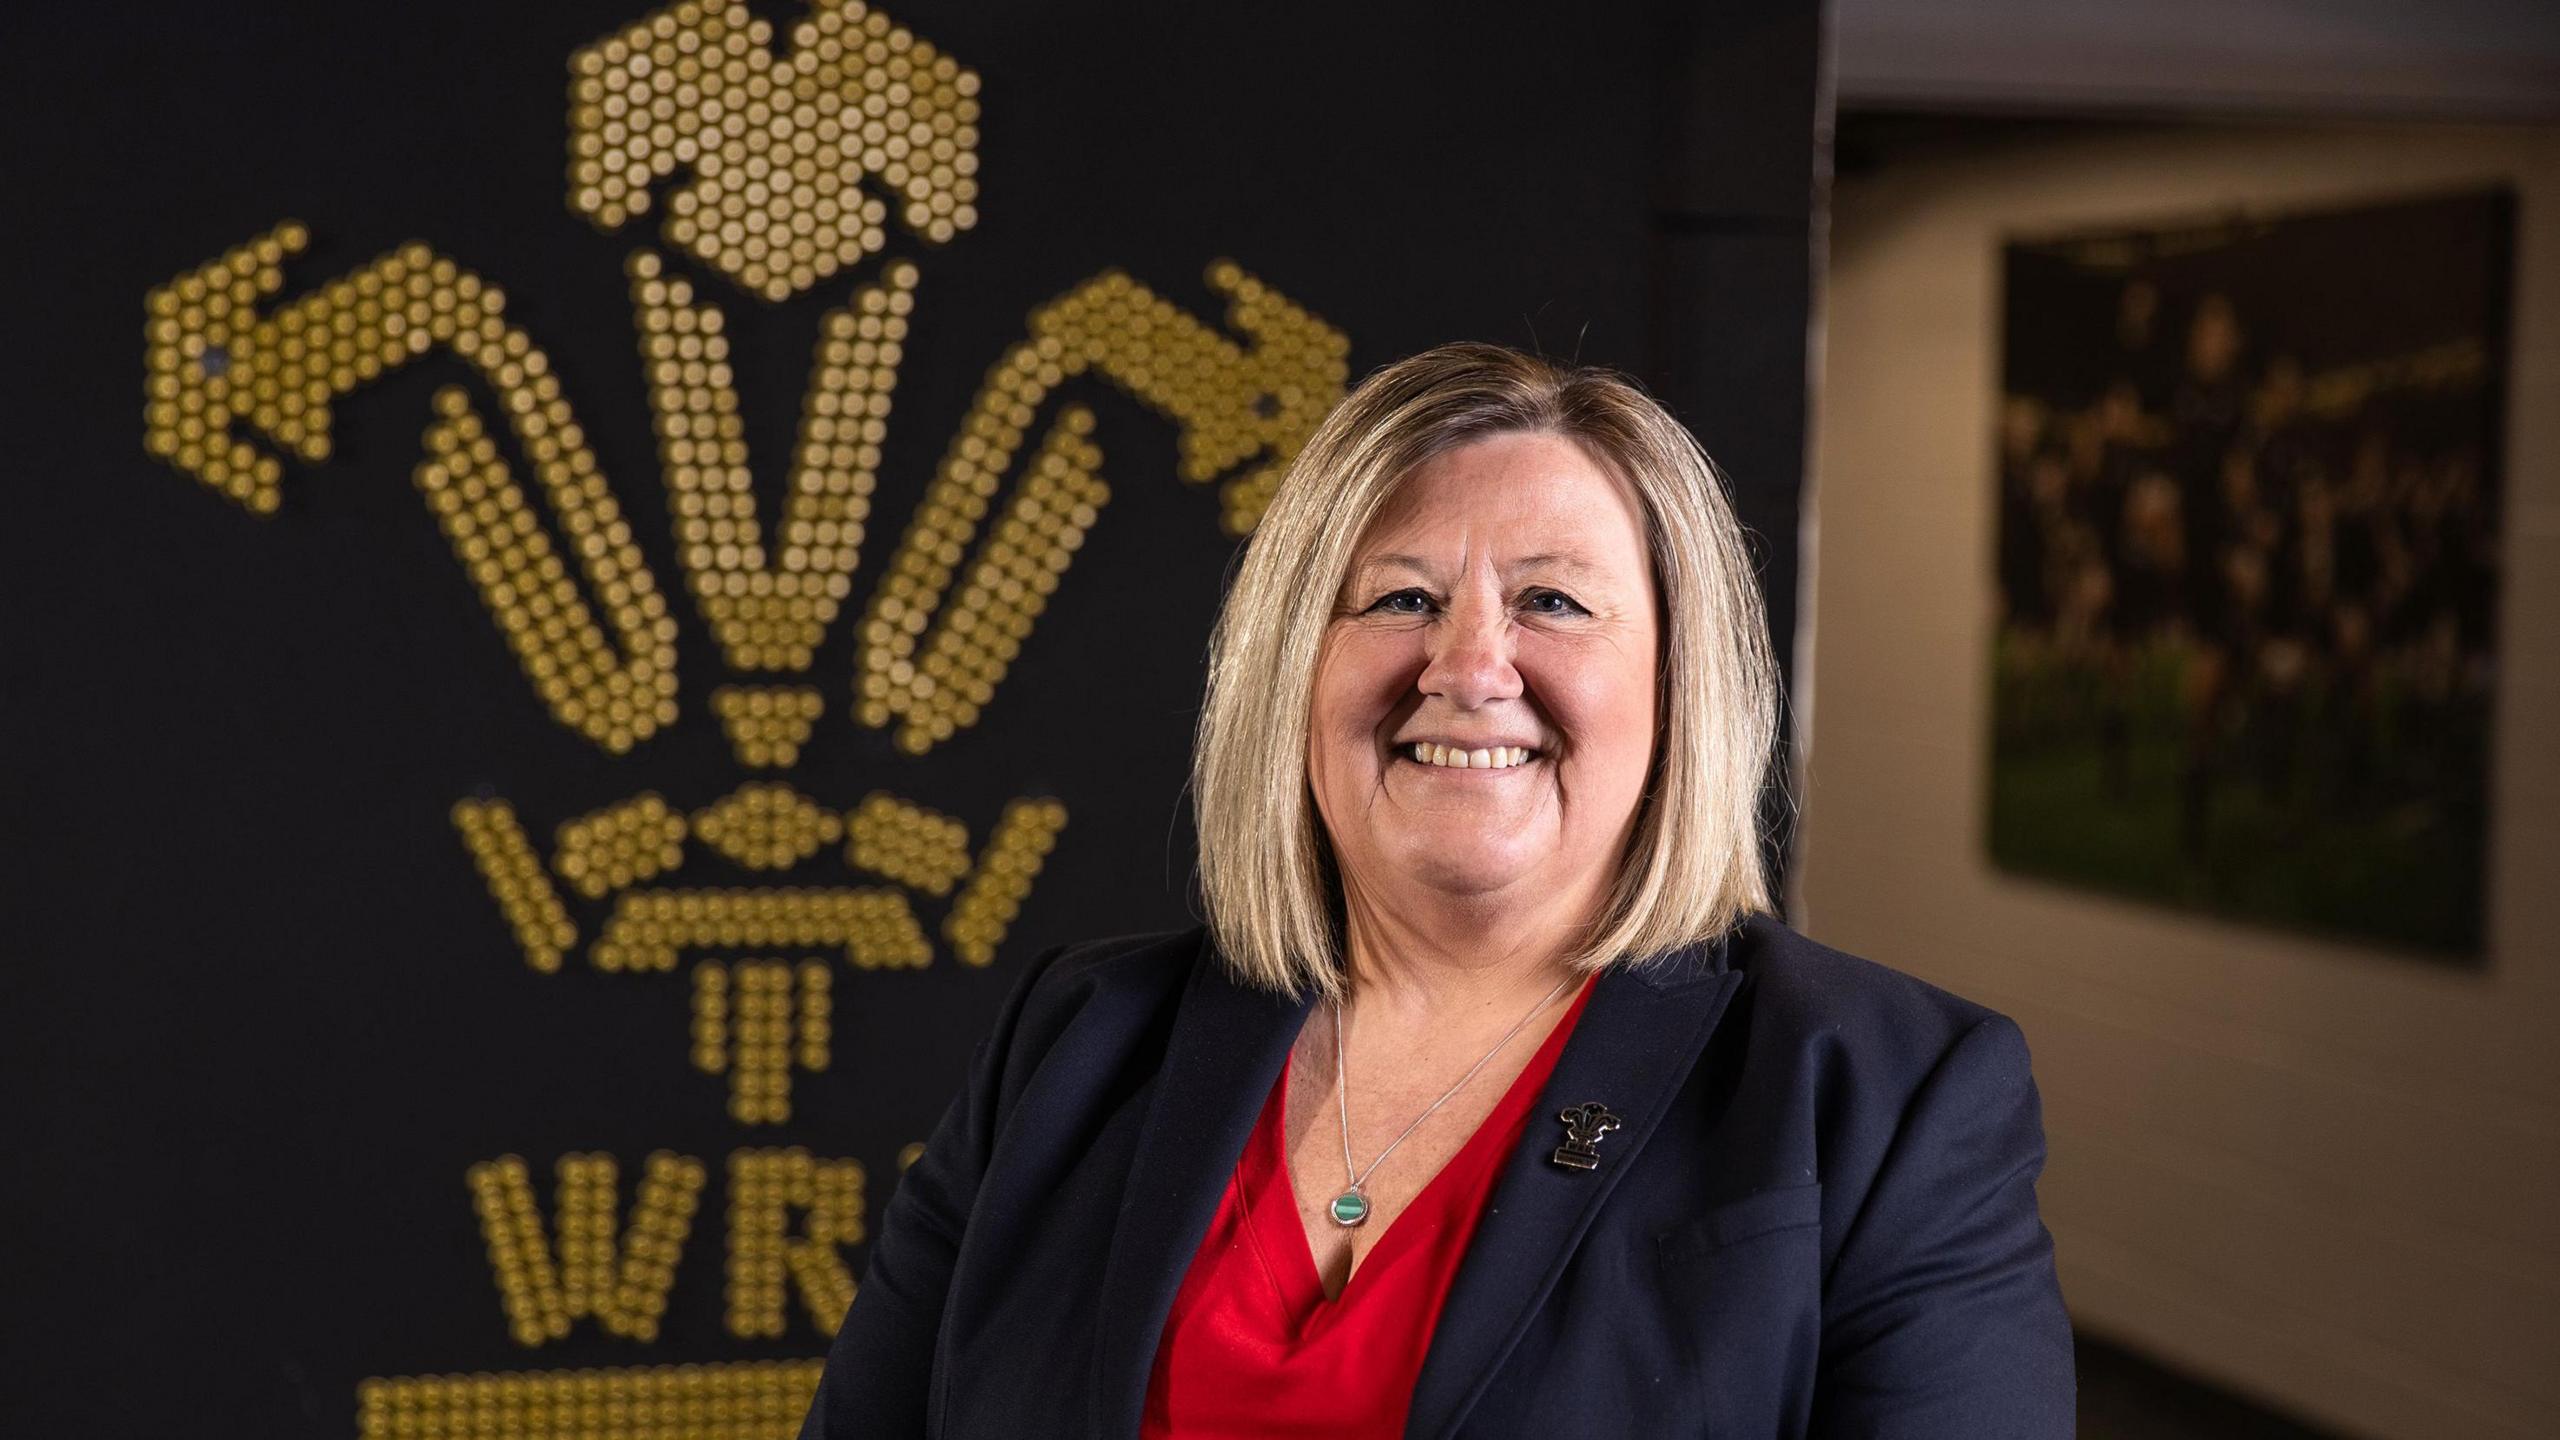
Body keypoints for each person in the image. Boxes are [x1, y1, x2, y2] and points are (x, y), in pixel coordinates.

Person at [798, 342, 2074, 1438]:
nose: (1468, 667)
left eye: (1552, 601)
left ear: (1681, 685)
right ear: (1295, 670)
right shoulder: (1075, 1040)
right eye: (1401, 597)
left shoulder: (1886, 1095)